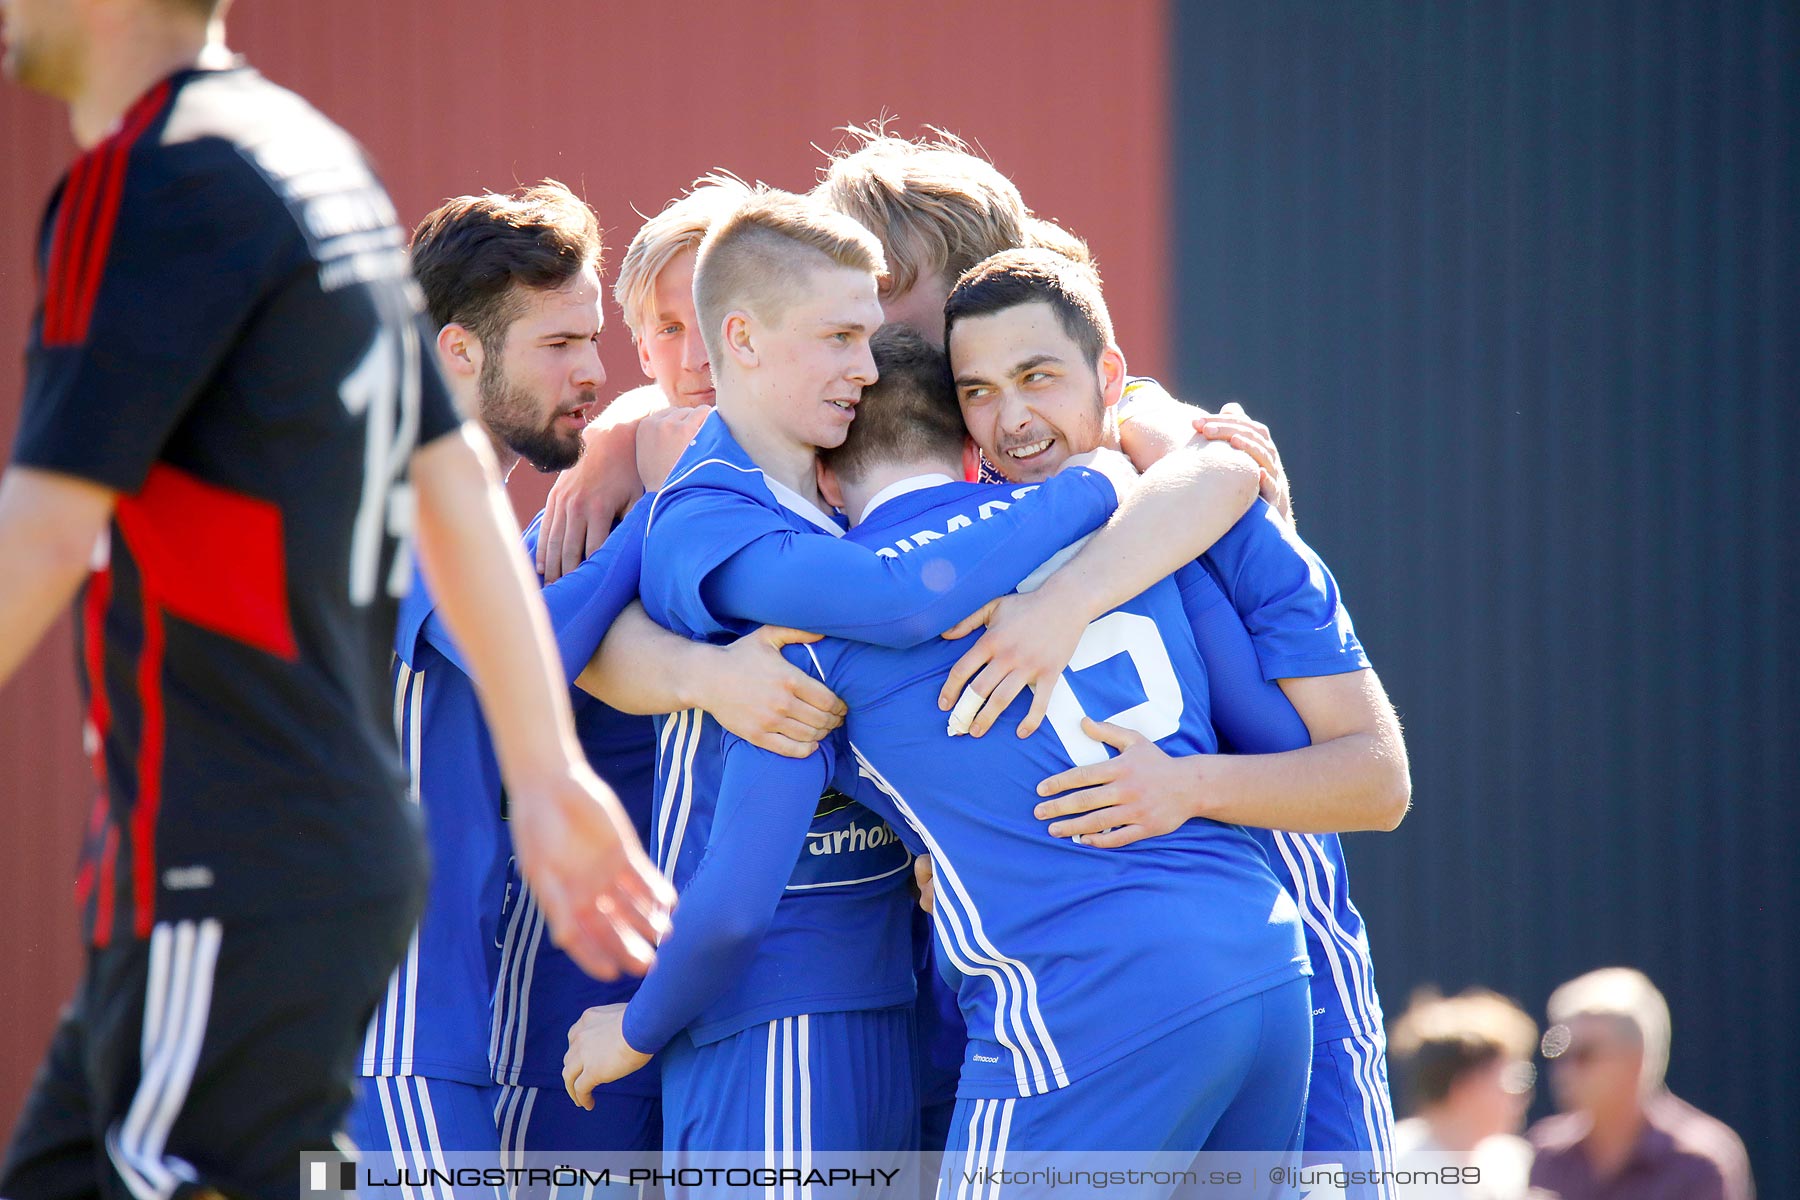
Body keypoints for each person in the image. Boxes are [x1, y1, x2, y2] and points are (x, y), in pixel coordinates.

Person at [0, 4, 668, 1196]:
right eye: (561, 343)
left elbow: (49, 527)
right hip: (309, 892)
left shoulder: (145, 180)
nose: (594, 371)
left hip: (234, 868)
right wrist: (554, 771)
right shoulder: (315, 158)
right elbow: (452, 484)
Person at [566, 326, 1314, 1196]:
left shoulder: (821, 631)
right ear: (969, 447)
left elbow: (734, 901)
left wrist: (634, 1030)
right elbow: (1285, 743)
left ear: (824, 476)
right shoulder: (1130, 536)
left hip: (1082, 1004)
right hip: (1264, 964)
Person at [940, 248, 1408, 1192]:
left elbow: (1379, 778)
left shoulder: (1230, 512)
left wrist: (1184, 788)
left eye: (1037, 378)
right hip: (1075, 1005)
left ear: (1109, 376)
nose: (1013, 418)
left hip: (1285, 966)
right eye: (978, 391)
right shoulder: (965, 537)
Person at [534, 176, 749, 582]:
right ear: (644, 352)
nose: (697, 359)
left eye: (716, 321)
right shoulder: (601, 499)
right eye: (670, 329)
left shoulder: (844, 431)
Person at [1528, 968, 1753, 1200]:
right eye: (1559, 1052)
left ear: (1636, 1060)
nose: (1565, 1069)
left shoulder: (1698, 1163)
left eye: (1584, 1054)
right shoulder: (1545, 1154)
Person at [1388, 989, 1538, 1199]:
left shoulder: (1513, 1161)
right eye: (1511, 1081)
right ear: (1464, 1088)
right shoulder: (1391, 1165)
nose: (1522, 1096)